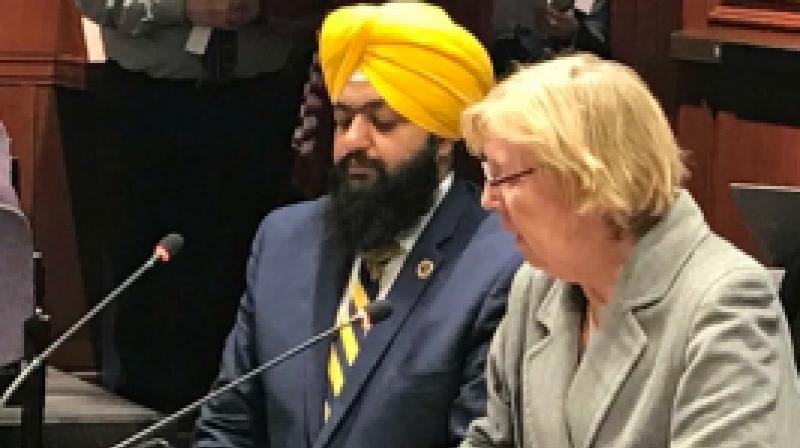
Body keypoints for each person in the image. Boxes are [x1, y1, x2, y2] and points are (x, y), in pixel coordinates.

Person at [193, 3, 522, 447]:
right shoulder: (285, 240)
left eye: (383, 123)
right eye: (344, 120)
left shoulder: (500, 264)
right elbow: (228, 426)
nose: (353, 141)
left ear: (444, 137)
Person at [459, 53, 800, 448]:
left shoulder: (723, 302)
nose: (487, 198)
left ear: (587, 177)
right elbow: (491, 439)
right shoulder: (537, 286)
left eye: (501, 175)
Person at [73, 0, 322, 411]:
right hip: (152, 104)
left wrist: (268, 10)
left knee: (250, 276)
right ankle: (150, 422)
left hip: (263, 101)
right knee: (150, 286)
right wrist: (183, 8)